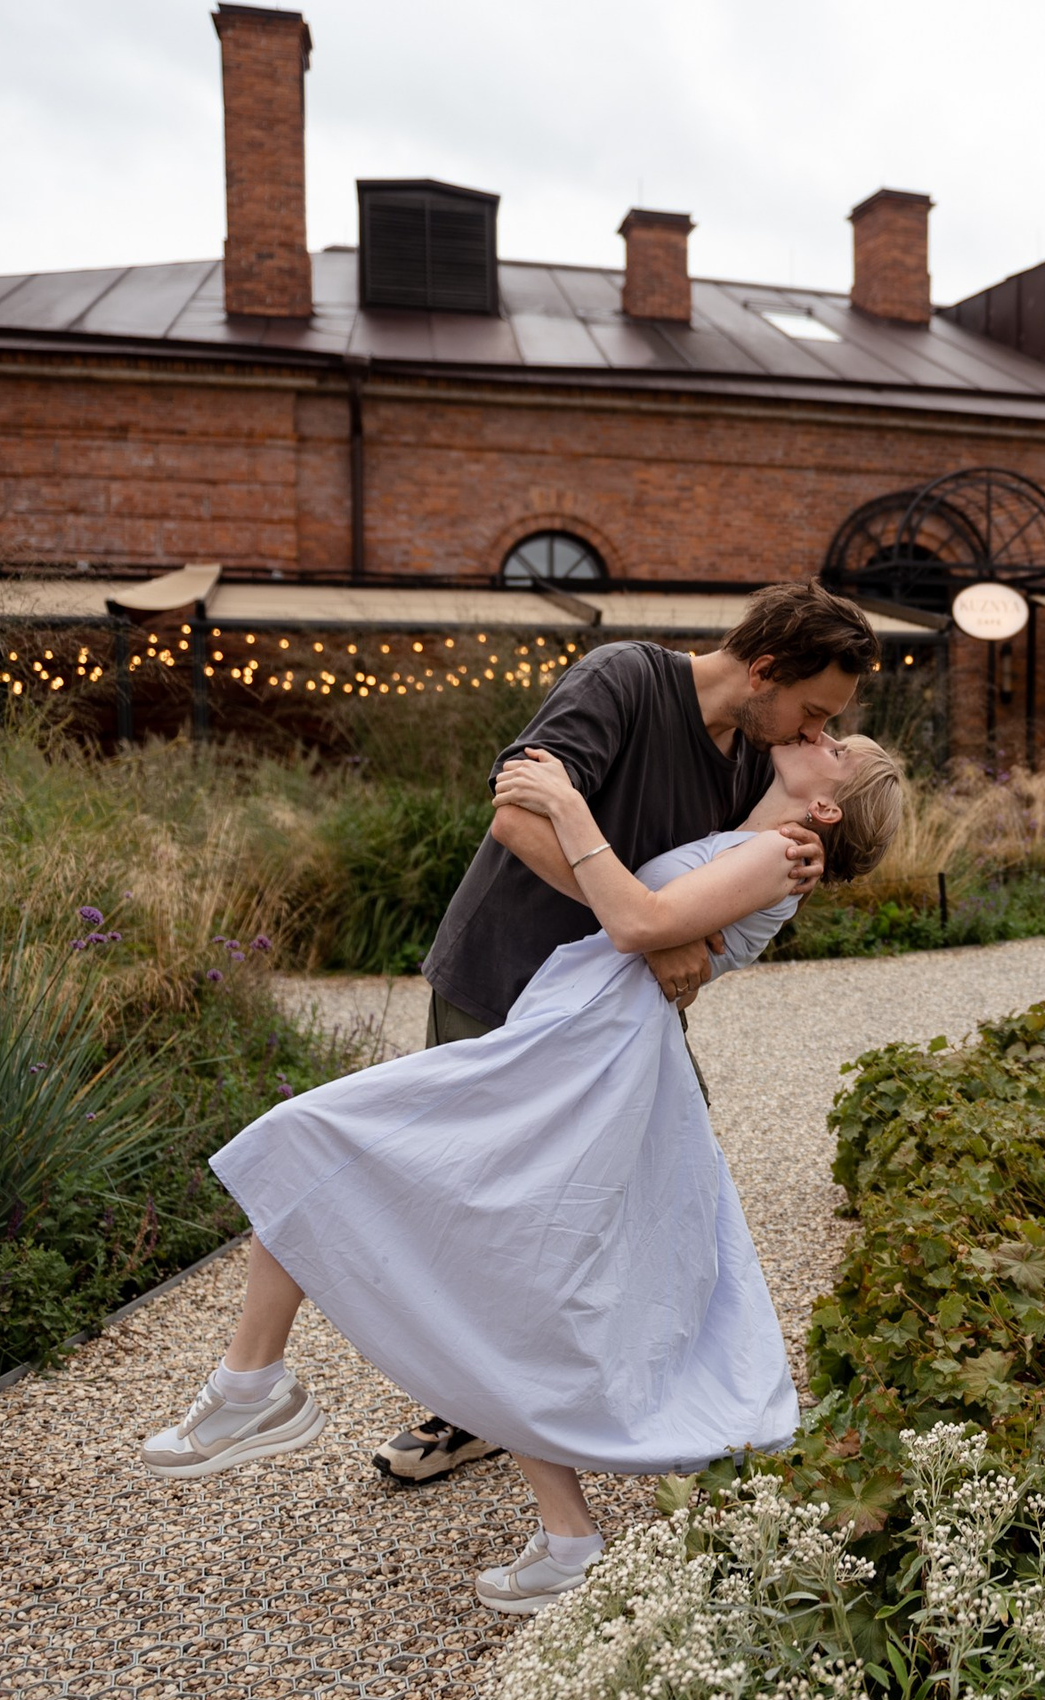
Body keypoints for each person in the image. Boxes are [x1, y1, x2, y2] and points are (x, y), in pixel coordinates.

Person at [138, 732, 906, 1615]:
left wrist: (568, 806)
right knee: (483, 1260)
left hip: (581, 1054)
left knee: (314, 1138)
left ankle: (253, 1385)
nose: (819, 734)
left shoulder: (780, 854)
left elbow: (637, 921)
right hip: (571, 1033)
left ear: (828, 808)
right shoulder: (757, 832)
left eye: (837, 745)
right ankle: (566, 1535)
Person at [373, 581, 878, 1484]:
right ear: (763, 670)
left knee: (650, 1185)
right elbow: (520, 821)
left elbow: (727, 879)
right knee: (482, 1202)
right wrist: (649, 932)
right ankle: (469, 1406)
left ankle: (646, 1393)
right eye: (811, 711)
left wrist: (767, 872)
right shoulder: (621, 679)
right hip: (505, 976)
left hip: (609, 1006)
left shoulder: (749, 755)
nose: (813, 733)